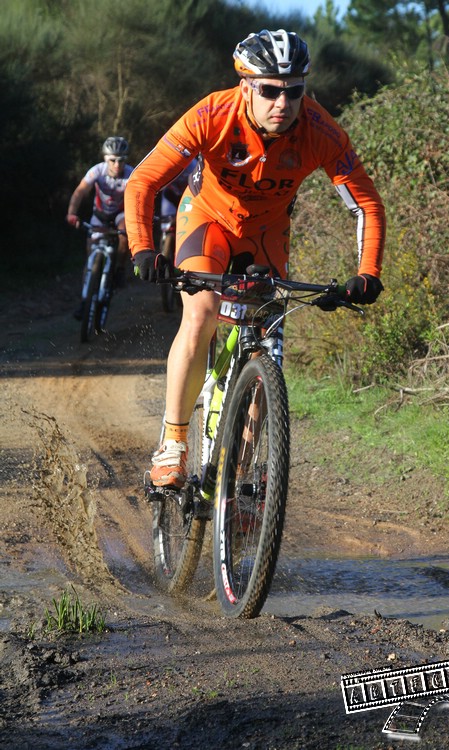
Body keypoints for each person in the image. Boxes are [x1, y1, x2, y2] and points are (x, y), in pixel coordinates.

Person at [124, 29, 386, 489]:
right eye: (269, 91)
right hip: (207, 220)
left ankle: (238, 478)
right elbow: (143, 181)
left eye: (294, 91)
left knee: (270, 345)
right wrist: (143, 249)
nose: (282, 103)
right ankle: (173, 444)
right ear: (245, 85)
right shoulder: (213, 114)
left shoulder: (320, 131)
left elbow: (366, 204)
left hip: (266, 234)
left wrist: (367, 273)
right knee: (201, 314)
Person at [66, 136, 133, 319]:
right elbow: (80, 192)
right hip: (100, 215)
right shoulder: (97, 170)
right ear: (105, 158)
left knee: (125, 233)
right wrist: (72, 213)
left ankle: (120, 269)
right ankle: (84, 300)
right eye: (113, 160)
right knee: (90, 258)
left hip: (120, 214)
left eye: (121, 160)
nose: (117, 165)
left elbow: (139, 198)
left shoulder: (131, 174)